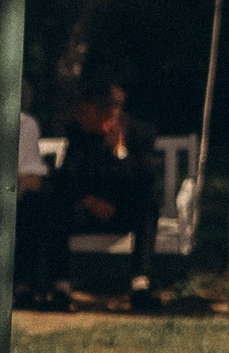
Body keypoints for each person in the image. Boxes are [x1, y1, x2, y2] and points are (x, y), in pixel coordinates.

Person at [22, 82, 167, 308]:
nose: (78, 117)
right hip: (86, 210)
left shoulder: (139, 133)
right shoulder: (78, 134)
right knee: (49, 206)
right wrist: (88, 200)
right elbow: (68, 177)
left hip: (121, 211)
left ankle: (140, 284)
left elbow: (144, 182)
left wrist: (120, 154)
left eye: (83, 111)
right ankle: (60, 286)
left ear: (104, 114)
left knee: (148, 207)